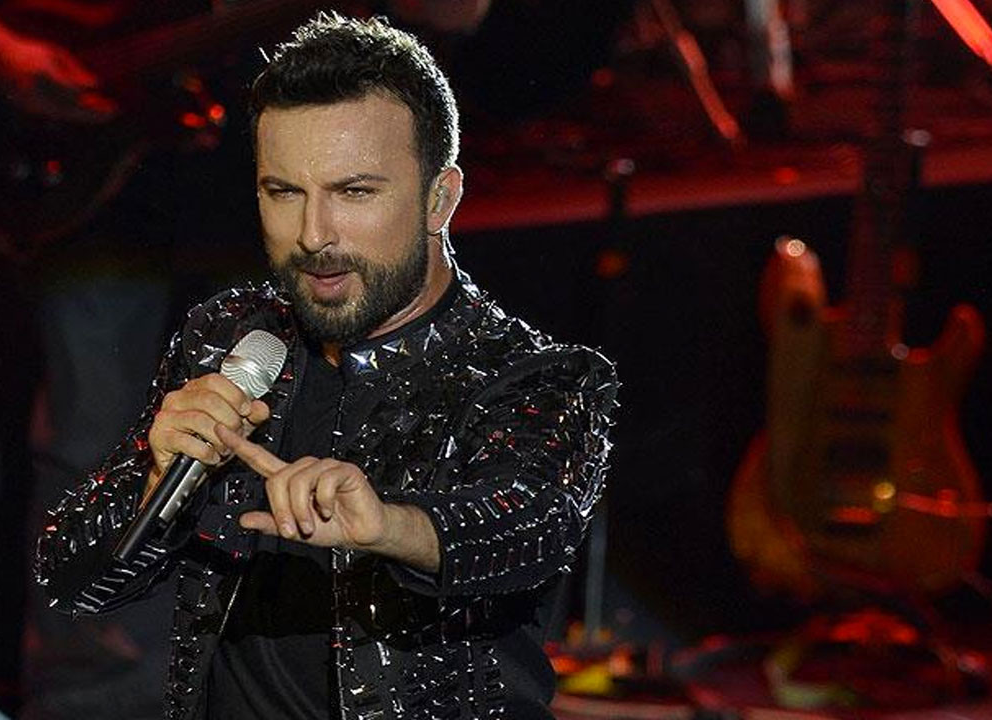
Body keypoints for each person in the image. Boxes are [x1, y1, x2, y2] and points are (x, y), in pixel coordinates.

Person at [0, 2, 491, 717]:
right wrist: (2, 51)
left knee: (291, 439)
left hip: (258, 193)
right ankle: (92, 695)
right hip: (102, 191)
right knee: (95, 441)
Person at [35, 12, 618, 719]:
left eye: (354, 192)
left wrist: (391, 526)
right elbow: (71, 583)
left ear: (440, 198)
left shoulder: (539, 376)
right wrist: (155, 484)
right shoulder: (233, 336)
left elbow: (526, 528)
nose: (314, 235)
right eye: (284, 192)